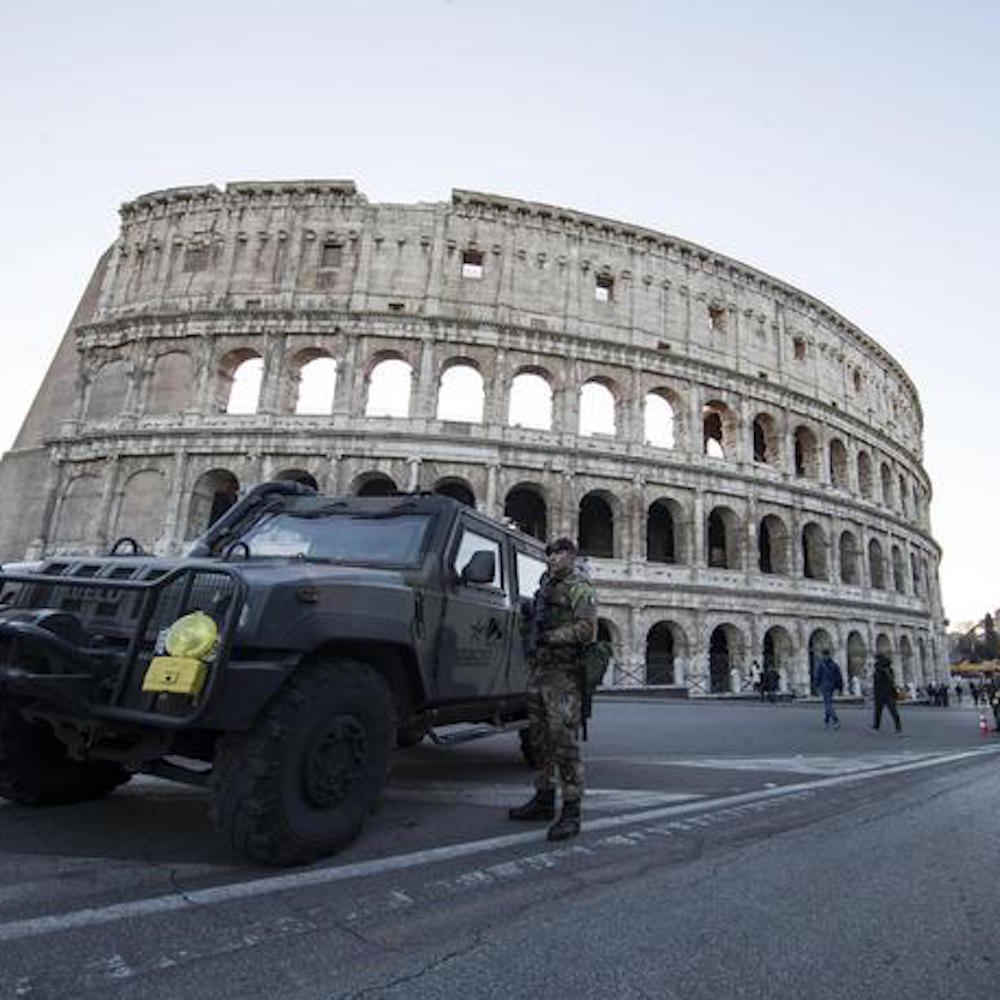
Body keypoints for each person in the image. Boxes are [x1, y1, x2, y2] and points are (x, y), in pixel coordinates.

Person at [509, 536, 597, 841]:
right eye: (550, 554)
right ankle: (544, 799)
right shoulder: (545, 587)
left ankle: (571, 811)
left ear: (571, 556)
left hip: (564, 675)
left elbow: (587, 630)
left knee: (564, 742)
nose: (553, 558)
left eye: (558, 553)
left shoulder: (579, 588)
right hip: (540, 671)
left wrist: (551, 637)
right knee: (539, 740)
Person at [872, 653, 902, 734]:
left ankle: (876, 726)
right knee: (893, 710)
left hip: (880, 692)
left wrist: (875, 692)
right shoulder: (889, 669)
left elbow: (877, 683)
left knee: (878, 711)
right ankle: (898, 726)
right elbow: (892, 680)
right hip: (889, 692)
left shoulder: (878, 669)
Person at [814, 650, 844, 729]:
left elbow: (817, 675)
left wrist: (816, 686)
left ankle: (835, 720)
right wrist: (840, 687)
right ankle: (826, 721)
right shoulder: (834, 664)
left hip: (824, 686)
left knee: (827, 704)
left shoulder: (821, 664)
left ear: (823, 655)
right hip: (832, 686)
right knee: (828, 702)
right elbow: (839, 676)